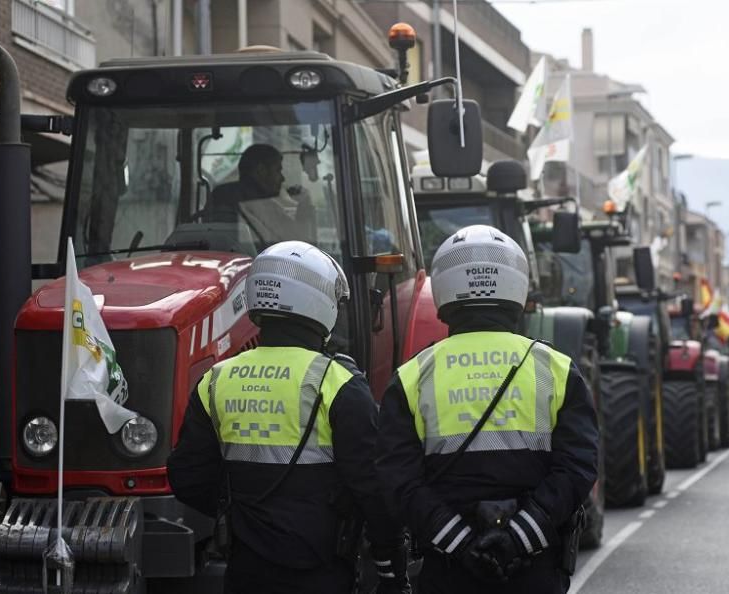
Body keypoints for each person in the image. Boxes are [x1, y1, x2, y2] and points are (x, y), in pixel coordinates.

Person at [167, 241, 408, 594]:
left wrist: (238, 511)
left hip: (245, 571)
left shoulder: (215, 381)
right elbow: (373, 490)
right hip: (321, 571)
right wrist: (391, 567)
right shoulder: (339, 384)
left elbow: (187, 478)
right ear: (319, 303)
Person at [376, 225, 599, 594]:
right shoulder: (556, 369)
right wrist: (517, 538)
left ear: (444, 291)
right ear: (517, 287)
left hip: (449, 571)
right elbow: (577, 469)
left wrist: (462, 545)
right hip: (534, 568)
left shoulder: (412, 377)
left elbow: (399, 483)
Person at [209, 143, 317, 245]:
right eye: (278, 170)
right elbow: (299, 244)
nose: (282, 178)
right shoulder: (256, 205)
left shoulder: (223, 195)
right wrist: (304, 205)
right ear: (261, 170)